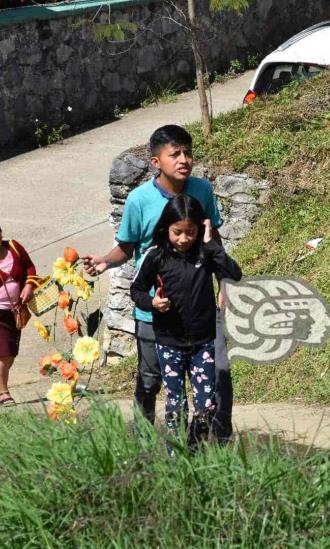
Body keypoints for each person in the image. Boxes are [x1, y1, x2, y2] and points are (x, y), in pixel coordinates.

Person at [82, 125, 234, 440]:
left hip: (198, 311)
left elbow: (212, 242)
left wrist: (225, 285)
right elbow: (127, 246)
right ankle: (143, 442)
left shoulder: (202, 191)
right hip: (154, 312)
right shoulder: (139, 200)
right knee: (151, 380)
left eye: (188, 153)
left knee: (215, 378)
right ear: (156, 162)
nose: (184, 160)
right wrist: (104, 261)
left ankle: (209, 444)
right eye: (174, 154)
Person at [130, 195, 242, 449]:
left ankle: (194, 450)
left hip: (203, 343)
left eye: (189, 232)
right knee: (175, 402)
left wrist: (211, 244)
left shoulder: (206, 254)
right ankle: (175, 453)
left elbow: (234, 274)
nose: (183, 239)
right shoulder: (156, 257)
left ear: (200, 229)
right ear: (166, 229)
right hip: (169, 342)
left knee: (207, 403)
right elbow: (136, 290)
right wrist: (152, 303)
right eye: (177, 232)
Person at [0, 227, 36, 406]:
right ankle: (3, 392)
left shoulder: (14, 247)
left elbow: (29, 266)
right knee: (4, 353)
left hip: (15, 311)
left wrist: (29, 285)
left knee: (11, 353)